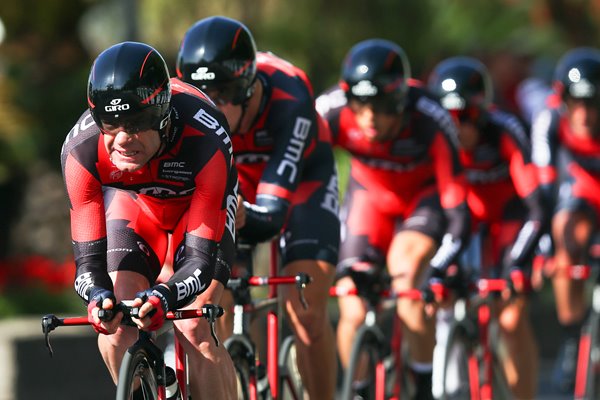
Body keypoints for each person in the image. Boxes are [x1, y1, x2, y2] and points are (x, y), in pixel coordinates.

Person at [61, 41, 238, 399]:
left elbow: (201, 261)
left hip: (197, 209)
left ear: (163, 114)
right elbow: (87, 262)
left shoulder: (205, 138)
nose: (123, 139)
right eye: (110, 123)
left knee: (194, 326)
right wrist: (97, 297)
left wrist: (165, 294)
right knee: (114, 331)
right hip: (137, 208)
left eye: (138, 123)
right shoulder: (80, 151)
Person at [176, 16, 341, 400]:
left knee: (305, 311)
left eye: (221, 95)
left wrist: (239, 214)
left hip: (301, 184)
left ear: (247, 88)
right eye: (198, 94)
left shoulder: (290, 97)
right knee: (207, 308)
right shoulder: (185, 107)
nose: (208, 108)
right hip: (234, 179)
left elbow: (270, 216)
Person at [316, 39, 470, 399]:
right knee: (351, 305)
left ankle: (421, 387)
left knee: (406, 278)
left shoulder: (431, 117)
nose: (369, 116)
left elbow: (456, 201)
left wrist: (446, 262)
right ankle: (360, 388)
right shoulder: (330, 110)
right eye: (360, 105)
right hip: (369, 201)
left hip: (422, 203)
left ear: (400, 101)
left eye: (382, 106)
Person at [428, 56, 548, 399]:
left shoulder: (505, 130)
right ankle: (447, 378)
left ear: (482, 112)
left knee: (510, 320)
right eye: (448, 117)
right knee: (441, 291)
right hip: (464, 222)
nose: (457, 127)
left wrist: (519, 263)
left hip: (510, 221)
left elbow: (537, 207)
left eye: (465, 116)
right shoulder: (436, 139)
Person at [531, 46, 600, 393]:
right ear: (563, 100)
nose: (585, 113)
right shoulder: (549, 120)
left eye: (594, 103)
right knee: (565, 236)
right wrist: (544, 249)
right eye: (577, 103)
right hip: (581, 194)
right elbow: (542, 196)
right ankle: (573, 335)